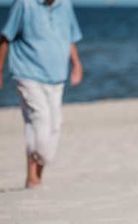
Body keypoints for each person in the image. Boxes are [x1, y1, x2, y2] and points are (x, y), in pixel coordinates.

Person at [0, 0, 83, 188]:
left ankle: (34, 178)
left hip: (57, 76)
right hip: (27, 73)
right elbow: (6, 37)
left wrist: (76, 63)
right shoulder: (24, 4)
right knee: (41, 120)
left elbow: (68, 35)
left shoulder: (65, 5)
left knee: (53, 125)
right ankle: (34, 170)